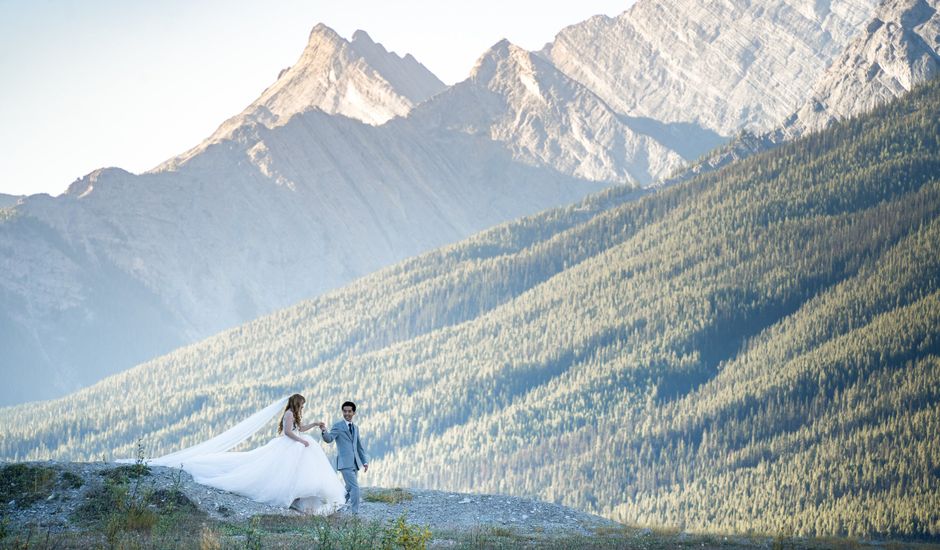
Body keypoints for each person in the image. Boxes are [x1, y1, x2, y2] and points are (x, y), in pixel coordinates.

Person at [127, 394, 345, 515]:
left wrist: (314, 425)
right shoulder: (288, 413)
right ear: (296, 403)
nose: (303, 407)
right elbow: (289, 432)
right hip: (289, 446)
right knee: (279, 471)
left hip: (295, 446)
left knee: (296, 471)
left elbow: (300, 428)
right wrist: (301, 441)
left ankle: (300, 495)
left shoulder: (294, 414)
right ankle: (292, 495)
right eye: (303, 404)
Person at [320, 401, 369, 514]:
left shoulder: (355, 428)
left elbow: (359, 447)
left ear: (354, 413)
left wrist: (364, 462)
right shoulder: (338, 426)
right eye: (345, 411)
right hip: (344, 463)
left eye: (349, 411)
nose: (347, 413)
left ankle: (333, 509)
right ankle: (355, 515)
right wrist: (324, 431)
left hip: (355, 464)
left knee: (348, 489)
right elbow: (329, 439)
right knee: (355, 488)